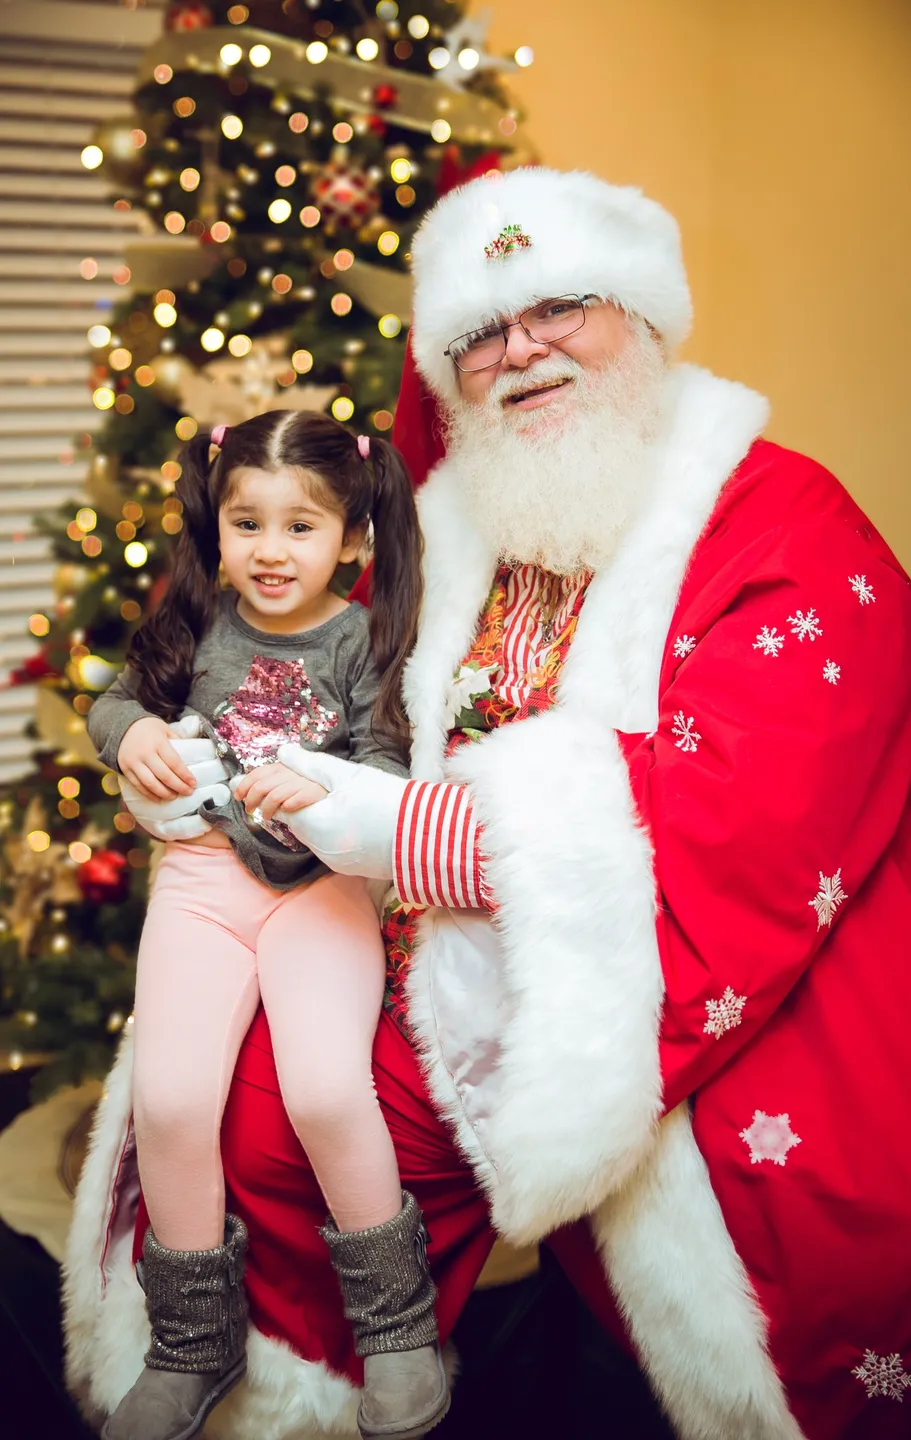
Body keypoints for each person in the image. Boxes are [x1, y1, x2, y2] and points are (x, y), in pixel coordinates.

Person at [66, 168, 911, 1440]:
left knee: (801, 1243)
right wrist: (184, 762)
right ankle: (297, 1386)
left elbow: (756, 814)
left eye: (557, 307)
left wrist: (411, 833)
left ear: (642, 315)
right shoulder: (448, 521)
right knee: (243, 1113)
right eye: (477, 336)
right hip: (417, 949)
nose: (520, 354)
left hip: (704, 981)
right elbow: (299, 692)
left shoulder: (784, 520)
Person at [82, 411, 449, 1440]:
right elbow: (110, 705)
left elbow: (385, 772)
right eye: (247, 524)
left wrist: (323, 784)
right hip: (202, 880)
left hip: (317, 887)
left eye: (300, 527)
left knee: (327, 1090)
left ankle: (397, 1333)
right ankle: (188, 1347)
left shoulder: (368, 636)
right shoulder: (195, 621)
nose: (270, 552)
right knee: (169, 1096)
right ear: (218, 529)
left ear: (351, 534)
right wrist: (138, 733)